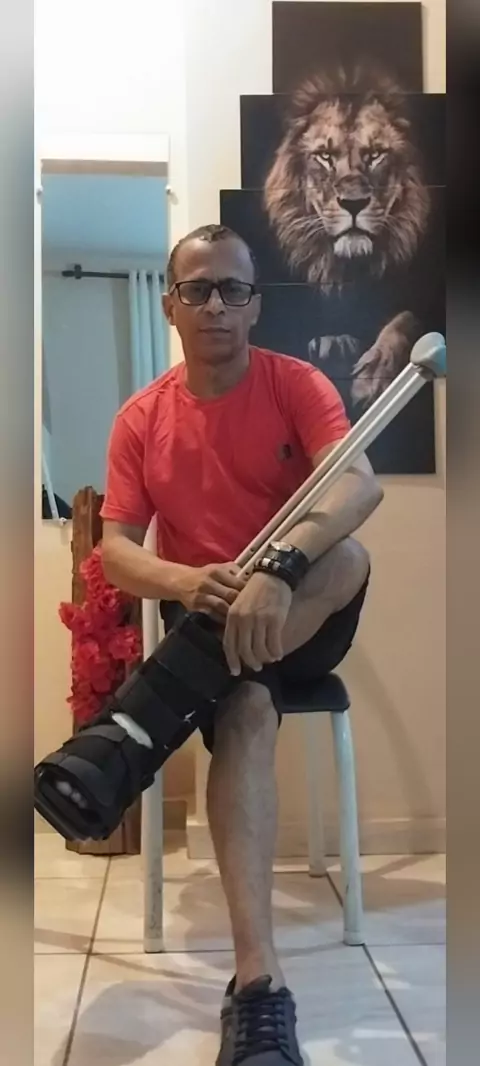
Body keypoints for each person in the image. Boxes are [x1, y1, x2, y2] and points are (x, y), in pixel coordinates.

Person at [100, 224, 383, 1066]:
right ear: (170, 305)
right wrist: (191, 583)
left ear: (256, 304)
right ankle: (259, 986)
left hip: (301, 613)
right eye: (198, 290)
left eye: (233, 289)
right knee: (247, 708)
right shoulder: (141, 418)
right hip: (206, 618)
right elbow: (116, 552)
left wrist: (282, 568)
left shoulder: (297, 384)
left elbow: (358, 485)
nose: (215, 305)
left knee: (350, 558)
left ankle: (148, 719)